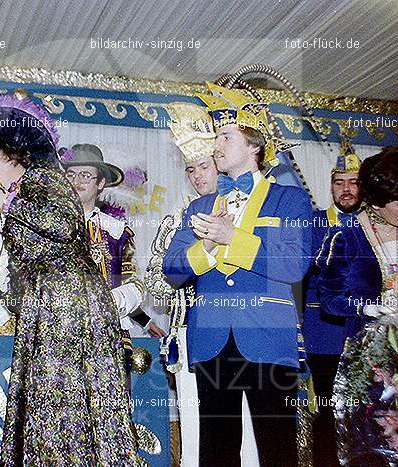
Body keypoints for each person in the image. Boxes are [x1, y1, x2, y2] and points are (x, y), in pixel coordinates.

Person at [0, 95, 140, 465]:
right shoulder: (26, 188)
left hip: (68, 306)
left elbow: (63, 225)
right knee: (50, 405)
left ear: (12, 155)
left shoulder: (45, 178)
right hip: (47, 306)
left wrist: (5, 203)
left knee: (65, 404)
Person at [163, 83, 312, 467]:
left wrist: (233, 237)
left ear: (254, 146)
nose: (216, 146)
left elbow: (294, 264)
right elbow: (173, 269)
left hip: (267, 338)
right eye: (216, 138)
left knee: (277, 447)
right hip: (211, 338)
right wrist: (208, 248)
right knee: (216, 449)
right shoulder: (201, 203)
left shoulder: (289, 198)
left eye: (226, 137)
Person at [317, 147, 398, 466]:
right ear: (378, 202)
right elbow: (329, 298)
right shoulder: (347, 236)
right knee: (384, 442)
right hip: (374, 358)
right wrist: (368, 309)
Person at [146, 102, 218, 466]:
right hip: (189, 334)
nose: (197, 176)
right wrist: (185, 278)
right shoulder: (176, 221)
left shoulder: (246, 212)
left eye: (204, 166)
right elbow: (154, 283)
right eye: (191, 169)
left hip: (240, 332)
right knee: (195, 426)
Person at [62, 143, 165, 354]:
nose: (76, 181)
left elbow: (132, 282)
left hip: (107, 335)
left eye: (85, 175)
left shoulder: (116, 231)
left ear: (100, 183)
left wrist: (111, 305)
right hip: (61, 332)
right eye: (71, 174)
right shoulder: (48, 226)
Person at [302, 139, 362, 467]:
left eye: (353, 182)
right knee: (325, 410)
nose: (346, 189)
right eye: (339, 183)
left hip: (364, 334)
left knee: (366, 410)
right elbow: (301, 271)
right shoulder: (313, 222)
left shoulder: (375, 226)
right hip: (323, 333)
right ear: (331, 187)